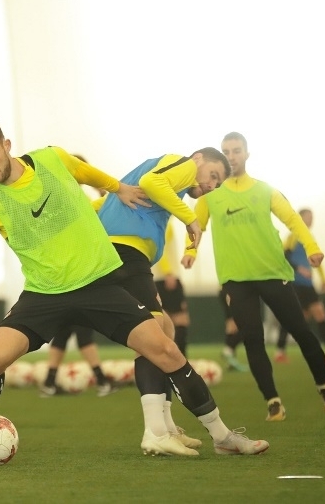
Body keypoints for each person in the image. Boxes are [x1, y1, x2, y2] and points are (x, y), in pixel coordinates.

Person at [0, 119, 269, 458]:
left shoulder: (51, 158)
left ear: (6, 145)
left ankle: (222, 436)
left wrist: (118, 187)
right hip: (44, 294)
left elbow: (85, 172)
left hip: (97, 284)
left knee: (166, 350)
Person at [183, 132, 325, 422]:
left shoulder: (265, 190)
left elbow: (293, 219)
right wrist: (190, 251)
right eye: (226, 151)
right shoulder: (209, 195)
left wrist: (313, 247)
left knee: (302, 333)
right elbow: (195, 226)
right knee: (253, 340)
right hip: (235, 280)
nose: (231, 156)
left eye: (236, 150)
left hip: (272, 273)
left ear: (247, 154)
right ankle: (273, 401)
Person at [93, 146, 233, 455]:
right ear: (198, 159)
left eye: (217, 183)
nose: (211, 185)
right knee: (154, 333)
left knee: (165, 329)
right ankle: (155, 432)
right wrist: (190, 219)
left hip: (125, 256)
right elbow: (153, 182)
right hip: (125, 254)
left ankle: (168, 428)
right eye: (213, 175)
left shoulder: (165, 181)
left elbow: (100, 205)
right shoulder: (183, 166)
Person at [40, 154, 117, 399]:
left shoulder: (54, 197)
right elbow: (101, 215)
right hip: (77, 273)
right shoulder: (75, 199)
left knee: (64, 330)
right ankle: (102, 381)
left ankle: (49, 383)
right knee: (82, 329)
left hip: (60, 274)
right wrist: (101, 190)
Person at [274, 208, 325, 362]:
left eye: (312, 217)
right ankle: (280, 351)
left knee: (319, 313)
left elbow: (316, 259)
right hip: (295, 284)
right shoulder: (293, 237)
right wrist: (299, 269)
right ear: (300, 218)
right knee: (291, 317)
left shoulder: (309, 238)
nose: (311, 219)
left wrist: (323, 279)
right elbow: (282, 256)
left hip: (308, 285)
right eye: (308, 217)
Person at [153, 222, 192, 356]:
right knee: (180, 319)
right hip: (167, 277)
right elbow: (161, 248)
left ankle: (169, 357)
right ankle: (180, 358)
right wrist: (168, 272)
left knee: (164, 320)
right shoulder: (164, 222)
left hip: (159, 278)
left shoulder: (153, 221)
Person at [218, 287, 248, 372]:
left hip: (229, 290)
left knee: (232, 329)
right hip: (230, 289)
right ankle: (228, 350)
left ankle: (230, 362)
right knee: (245, 328)